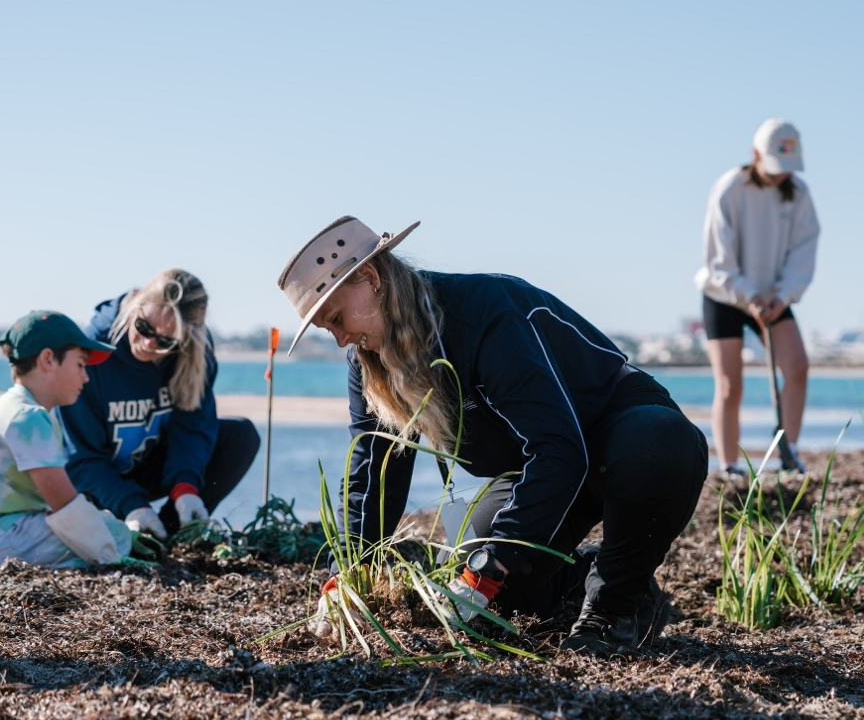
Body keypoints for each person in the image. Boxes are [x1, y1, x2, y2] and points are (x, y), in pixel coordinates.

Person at [277, 216, 708, 656]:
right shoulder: (367, 361)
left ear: (371, 278)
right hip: (536, 467)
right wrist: (347, 573)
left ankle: (614, 606)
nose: (340, 338)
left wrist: (494, 564)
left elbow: (558, 447)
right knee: (489, 590)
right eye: (327, 329)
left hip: (616, 427)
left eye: (337, 318)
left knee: (658, 445)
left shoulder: (480, 312)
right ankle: (598, 577)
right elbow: (374, 472)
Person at [0, 311, 154, 578]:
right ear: (48, 359)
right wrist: (115, 556)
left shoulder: (16, 409)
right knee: (115, 533)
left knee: (103, 524)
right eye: (80, 364)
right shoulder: (27, 418)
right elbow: (64, 505)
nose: (86, 377)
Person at [60, 270, 259, 538]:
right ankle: (134, 522)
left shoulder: (197, 351)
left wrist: (186, 488)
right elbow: (79, 456)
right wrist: (133, 506)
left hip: (147, 464)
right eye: (143, 327)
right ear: (137, 301)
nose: (147, 343)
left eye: (165, 341)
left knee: (241, 437)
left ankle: (173, 531)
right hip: (93, 480)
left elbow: (193, 428)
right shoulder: (93, 348)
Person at [695, 118, 820, 476]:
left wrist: (784, 295)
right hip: (725, 296)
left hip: (774, 297)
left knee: (798, 366)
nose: (781, 175)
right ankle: (730, 465)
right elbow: (719, 260)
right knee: (730, 386)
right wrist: (747, 295)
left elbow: (803, 250)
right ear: (755, 154)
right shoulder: (729, 189)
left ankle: (789, 449)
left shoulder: (799, 194)